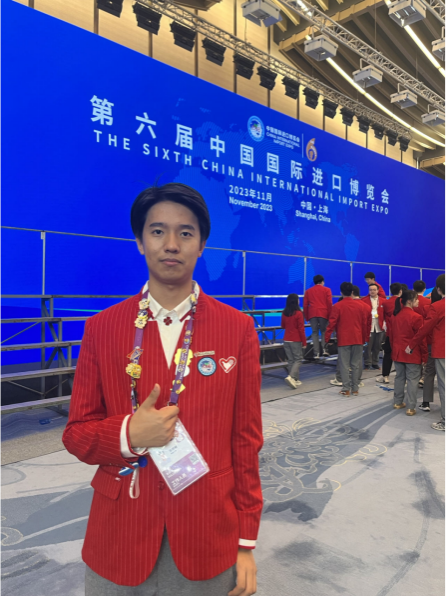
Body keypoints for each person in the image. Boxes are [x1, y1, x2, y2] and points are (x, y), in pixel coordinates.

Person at [62, 183, 263, 595]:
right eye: (157, 231)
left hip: (207, 529)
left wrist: (246, 541)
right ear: (140, 242)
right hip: (119, 531)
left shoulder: (237, 328)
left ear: (201, 245)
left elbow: (245, 440)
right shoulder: (102, 328)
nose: (171, 244)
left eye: (185, 233)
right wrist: (128, 434)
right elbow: (76, 433)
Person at [407, 274, 446, 431]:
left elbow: (425, 329)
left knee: (444, 385)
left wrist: (411, 345)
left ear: (438, 289)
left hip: (442, 351)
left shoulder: (437, 307)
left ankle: (445, 421)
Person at [325, 282, 369, 396]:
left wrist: (327, 338)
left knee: (344, 365)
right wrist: (365, 337)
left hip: (344, 339)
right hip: (358, 338)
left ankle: (346, 389)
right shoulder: (361, 306)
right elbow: (364, 324)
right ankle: (355, 389)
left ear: (341, 292)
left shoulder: (337, 306)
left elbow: (331, 324)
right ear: (352, 292)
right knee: (356, 364)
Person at [390, 290, 425, 416]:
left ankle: (397, 402)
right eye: (416, 299)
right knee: (412, 380)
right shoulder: (417, 317)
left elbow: (391, 336)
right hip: (412, 353)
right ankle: (410, 407)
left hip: (398, 352)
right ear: (409, 301)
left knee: (399, 377)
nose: (418, 301)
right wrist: (425, 355)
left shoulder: (395, 316)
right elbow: (421, 339)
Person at [419, 288, 442, 412]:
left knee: (429, 372)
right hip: (441, 344)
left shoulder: (429, 308)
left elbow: (424, 327)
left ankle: (426, 402)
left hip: (431, 344)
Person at [303, 274, 333, 359]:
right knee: (324, 331)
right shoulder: (327, 290)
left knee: (314, 333)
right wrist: (330, 315)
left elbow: (305, 305)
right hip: (323, 313)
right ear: (322, 282)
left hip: (312, 314)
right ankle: (324, 350)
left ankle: (316, 353)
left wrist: (307, 317)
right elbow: (329, 303)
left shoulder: (308, 291)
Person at [378, 283, 402, 384]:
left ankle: (385, 376)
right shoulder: (403, 302)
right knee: (402, 354)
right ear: (400, 291)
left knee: (388, 354)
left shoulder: (386, 303)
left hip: (390, 332)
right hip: (402, 333)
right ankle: (403, 376)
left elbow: (382, 318)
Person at [281, 293, 307, 389]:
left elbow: (283, 326)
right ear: (296, 301)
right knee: (298, 359)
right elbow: (301, 329)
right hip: (295, 339)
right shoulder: (299, 313)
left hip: (286, 339)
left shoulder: (284, 312)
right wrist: (304, 342)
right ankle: (291, 377)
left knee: (291, 360)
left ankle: (295, 379)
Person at [362, 283, 386, 370]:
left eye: (374, 290)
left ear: (377, 291)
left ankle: (375, 362)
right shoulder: (364, 300)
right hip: (369, 326)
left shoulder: (383, 301)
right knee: (368, 346)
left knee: (377, 345)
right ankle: (367, 363)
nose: (372, 291)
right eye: (370, 290)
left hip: (379, 325)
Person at [413, 280, 431, 387]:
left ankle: (415, 377)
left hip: (412, 334)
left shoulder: (409, 302)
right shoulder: (428, 302)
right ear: (424, 289)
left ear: (413, 289)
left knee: (415, 355)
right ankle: (423, 378)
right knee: (426, 356)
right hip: (425, 333)